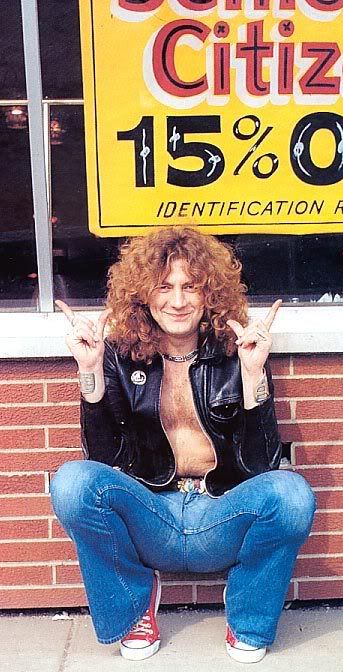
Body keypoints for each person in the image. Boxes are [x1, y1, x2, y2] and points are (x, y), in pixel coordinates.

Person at [51, 226, 316, 663]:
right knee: (72, 483)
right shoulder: (120, 353)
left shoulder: (237, 352)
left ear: (209, 293)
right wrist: (91, 370)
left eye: (190, 286)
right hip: (152, 513)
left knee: (291, 495)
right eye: (165, 286)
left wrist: (253, 376)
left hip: (220, 513)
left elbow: (261, 466)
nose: (178, 301)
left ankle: (248, 616)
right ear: (144, 295)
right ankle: (135, 606)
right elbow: (104, 460)